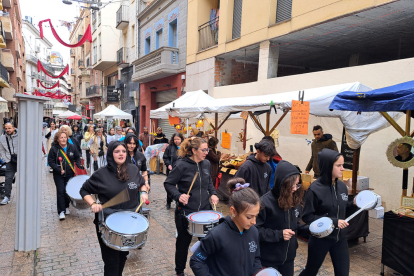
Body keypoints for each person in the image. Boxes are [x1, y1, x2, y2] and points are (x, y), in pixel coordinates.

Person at [80, 141, 149, 276]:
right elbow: (84, 190)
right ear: (111, 154)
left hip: (129, 222)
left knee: (122, 257)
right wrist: (93, 204)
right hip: (108, 223)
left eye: (123, 151)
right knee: (111, 262)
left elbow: (142, 184)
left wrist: (144, 192)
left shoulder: (133, 169)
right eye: (117, 151)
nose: (121, 154)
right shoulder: (101, 174)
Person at [164, 137, 219, 276]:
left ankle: (207, 268)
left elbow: (209, 183)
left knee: (208, 243)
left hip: (205, 210)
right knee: (183, 243)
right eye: (203, 150)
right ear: (194, 150)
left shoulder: (206, 164)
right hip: (186, 212)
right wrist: (178, 196)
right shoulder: (181, 165)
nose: (206, 152)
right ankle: (179, 271)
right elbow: (168, 184)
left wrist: (213, 193)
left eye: (208, 149)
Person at [190, 177, 262, 276]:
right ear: (233, 211)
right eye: (249, 217)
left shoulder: (254, 232)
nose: (254, 222)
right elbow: (196, 261)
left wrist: (257, 273)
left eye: (256, 216)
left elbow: (256, 258)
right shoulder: (216, 235)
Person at [299, 149, 353, 276]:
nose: (343, 169)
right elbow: (307, 216)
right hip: (320, 239)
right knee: (311, 271)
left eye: (343, 165)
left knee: (343, 273)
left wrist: (355, 204)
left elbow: (344, 208)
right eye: (339, 165)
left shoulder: (341, 186)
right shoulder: (314, 189)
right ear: (328, 166)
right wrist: (334, 222)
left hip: (340, 238)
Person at [256, 160, 307, 276]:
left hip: (289, 258)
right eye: (292, 185)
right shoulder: (265, 202)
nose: (295, 189)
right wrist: (279, 235)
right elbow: (255, 230)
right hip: (269, 258)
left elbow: (294, 226)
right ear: (282, 184)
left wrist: (310, 229)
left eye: (297, 184)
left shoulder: (294, 199)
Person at [48, 130, 83, 219]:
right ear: (58, 139)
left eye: (65, 137)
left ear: (67, 138)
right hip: (58, 174)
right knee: (60, 191)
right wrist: (58, 169)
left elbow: (77, 157)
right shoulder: (54, 148)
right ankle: (61, 211)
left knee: (67, 191)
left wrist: (79, 164)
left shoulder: (72, 147)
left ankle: (66, 207)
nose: (63, 139)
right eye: (61, 138)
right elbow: (51, 161)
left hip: (69, 173)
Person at [163, 133, 184, 209]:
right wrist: (168, 164)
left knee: (181, 187)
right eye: (175, 139)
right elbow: (165, 157)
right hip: (172, 171)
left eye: (178, 139)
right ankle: (169, 202)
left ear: (181, 139)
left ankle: (179, 202)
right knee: (170, 187)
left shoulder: (184, 147)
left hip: (182, 171)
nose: (176, 141)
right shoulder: (170, 147)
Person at [0, 123, 17, 205]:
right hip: (10, 161)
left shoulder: (20, 135)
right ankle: (7, 197)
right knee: (8, 179)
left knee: (25, 179)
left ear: (13, 128)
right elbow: (2, 150)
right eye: (6, 128)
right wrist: (6, 159)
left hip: (21, 161)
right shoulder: (2, 138)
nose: (7, 130)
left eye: (9, 128)